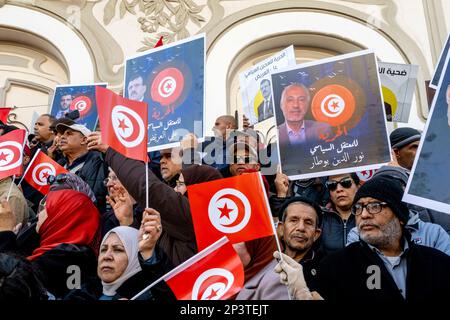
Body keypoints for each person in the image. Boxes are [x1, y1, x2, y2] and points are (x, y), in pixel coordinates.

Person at [276, 176, 450, 301]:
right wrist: (302, 295)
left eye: (375, 206)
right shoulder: (335, 267)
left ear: (400, 216)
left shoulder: (438, 263)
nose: (364, 215)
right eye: (358, 208)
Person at [0, 184, 100, 299]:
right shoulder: (49, 246)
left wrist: (5, 233)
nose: (38, 214)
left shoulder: (70, 258)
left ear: (61, 215)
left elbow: (16, 283)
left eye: (45, 208)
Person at [236, 197, 323, 300]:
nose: (301, 228)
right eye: (294, 220)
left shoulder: (327, 269)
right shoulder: (264, 264)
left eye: (308, 223)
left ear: (316, 234)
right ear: (281, 229)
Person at [65, 223, 175, 301]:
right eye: (103, 250)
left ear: (134, 258)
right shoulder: (83, 293)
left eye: (118, 249)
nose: (107, 256)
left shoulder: (151, 295)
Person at [56, 123, 108, 213]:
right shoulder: (58, 164)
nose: (62, 137)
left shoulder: (99, 161)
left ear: (84, 140)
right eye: (62, 134)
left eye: (69, 134)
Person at [320, 173, 361, 254]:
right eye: (332, 185)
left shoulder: (369, 215)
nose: (338, 189)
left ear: (358, 187)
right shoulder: (320, 218)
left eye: (346, 182)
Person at [101, 168, 143, 238]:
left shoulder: (146, 212)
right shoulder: (106, 217)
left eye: (114, 178)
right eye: (108, 179)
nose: (108, 184)